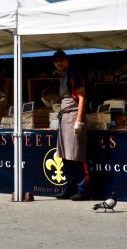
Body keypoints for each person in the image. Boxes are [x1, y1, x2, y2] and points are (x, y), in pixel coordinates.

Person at [53, 50, 89, 200]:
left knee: (76, 154)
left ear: (67, 61)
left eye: (62, 60)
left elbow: (82, 98)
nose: (59, 63)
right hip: (64, 119)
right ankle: (70, 187)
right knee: (65, 155)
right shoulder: (62, 76)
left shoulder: (75, 75)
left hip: (74, 116)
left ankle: (82, 189)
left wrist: (79, 121)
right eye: (57, 61)